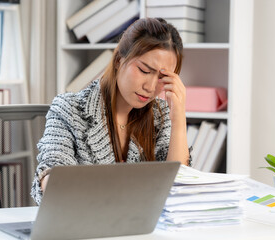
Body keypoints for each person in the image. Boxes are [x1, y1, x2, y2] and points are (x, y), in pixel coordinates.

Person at [31, 18, 190, 205]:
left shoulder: (160, 115)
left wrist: (179, 118)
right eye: (144, 70)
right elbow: (51, 173)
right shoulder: (69, 109)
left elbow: (178, 185)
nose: (151, 86)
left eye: (163, 77)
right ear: (118, 61)